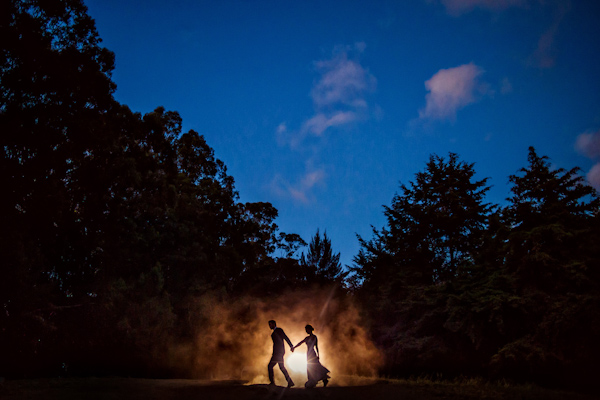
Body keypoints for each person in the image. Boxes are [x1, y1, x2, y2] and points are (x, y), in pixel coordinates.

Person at [267, 320, 295, 387]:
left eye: (270, 324)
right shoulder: (275, 332)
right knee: (281, 367)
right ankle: (290, 382)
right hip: (278, 352)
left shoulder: (279, 330)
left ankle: (272, 383)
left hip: (278, 352)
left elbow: (285, 337)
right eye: (269, 325)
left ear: (274, 324)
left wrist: (291, 346)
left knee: (270, 366)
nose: (269, 326)